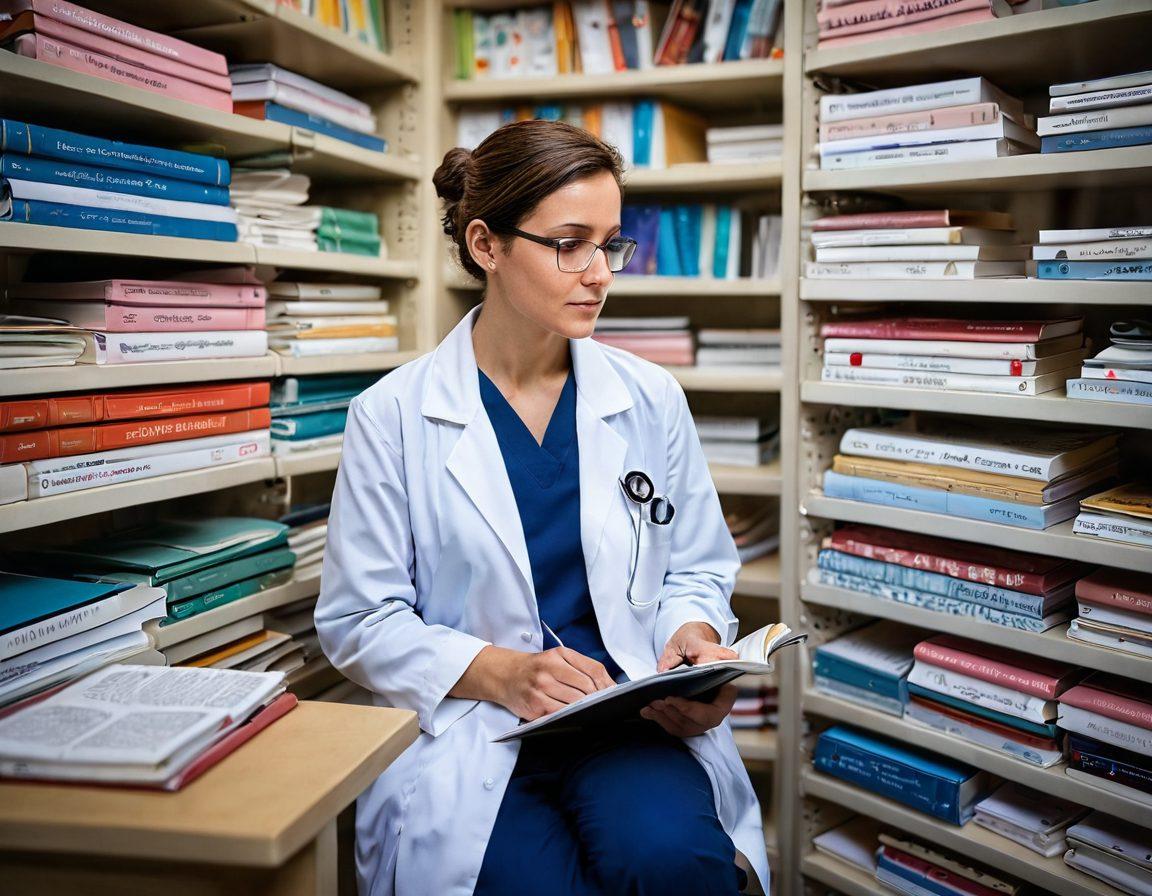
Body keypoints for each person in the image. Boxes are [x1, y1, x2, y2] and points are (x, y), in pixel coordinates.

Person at [315, 119, 768, 896]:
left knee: (677, 866)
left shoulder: (648, 398)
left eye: (611, 244)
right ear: (486, 245)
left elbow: (693, 566)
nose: (599, 273)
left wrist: (692, 638)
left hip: (626, 718)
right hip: (476, 725)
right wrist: (498, 672)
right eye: (569, 243)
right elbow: (359, 619)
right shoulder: (391, 414)